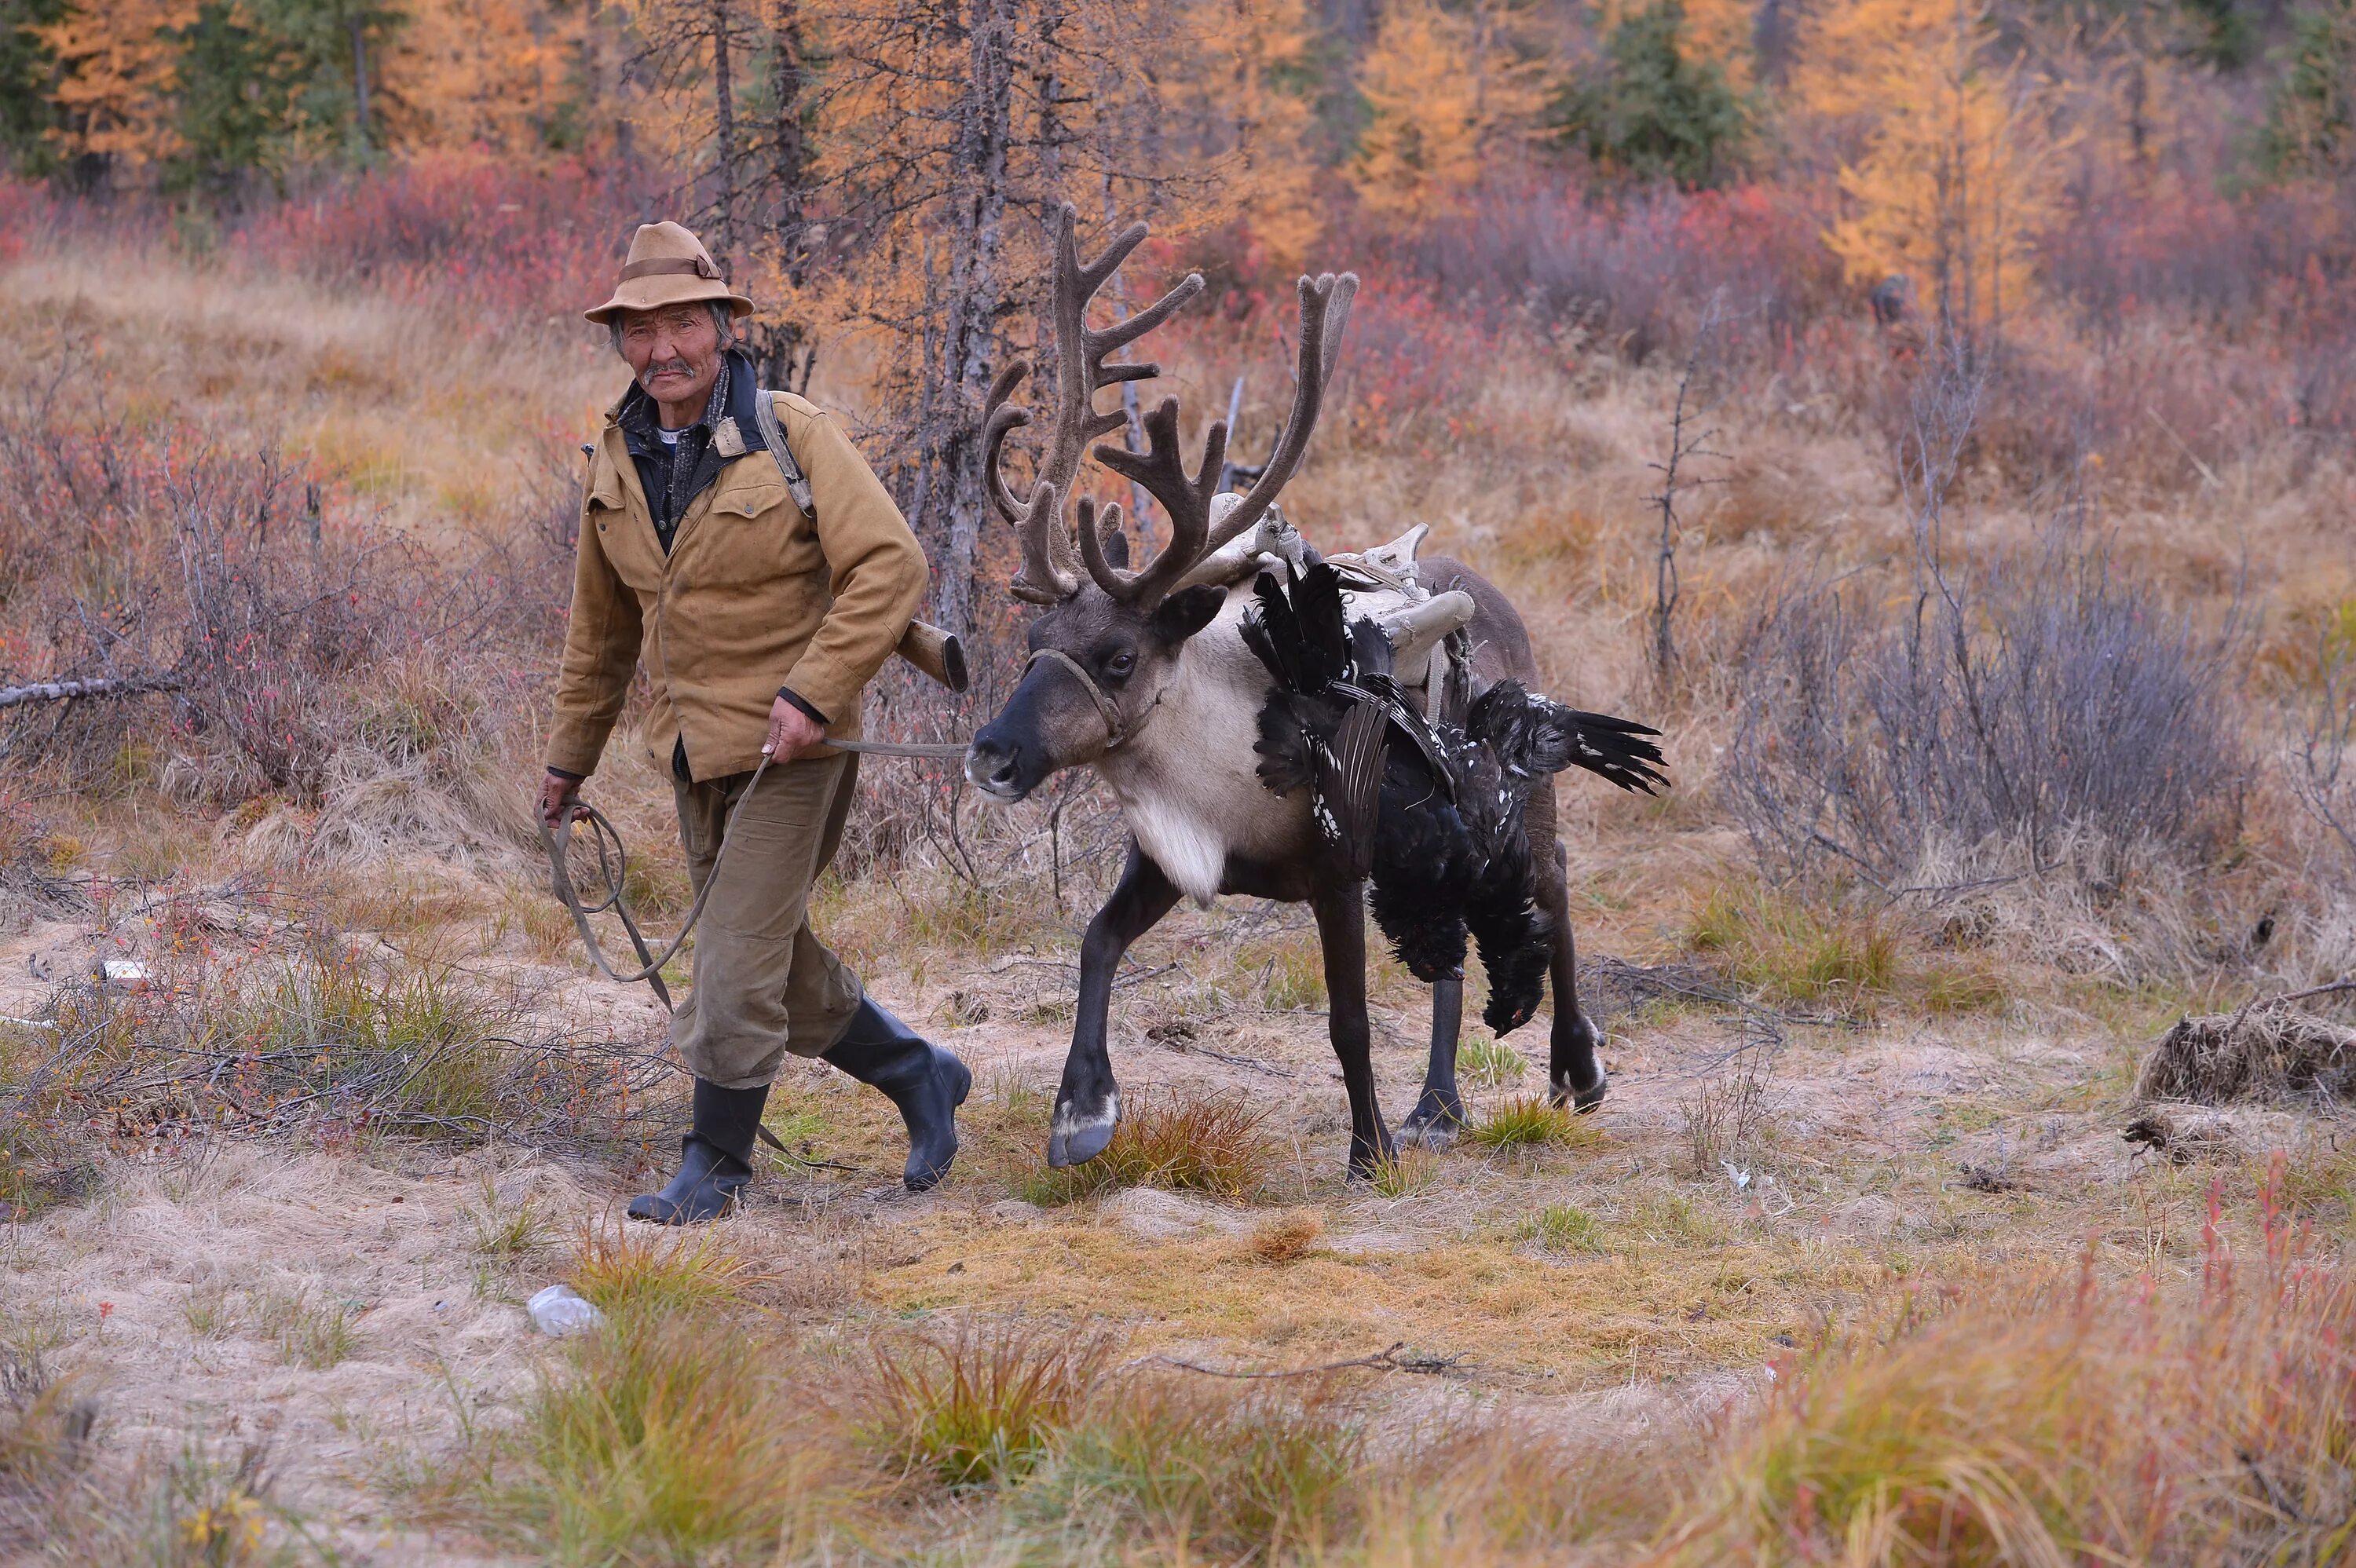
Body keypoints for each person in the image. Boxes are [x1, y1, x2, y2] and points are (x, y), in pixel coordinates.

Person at [540, 219, 968, 1223]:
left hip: (799, 749)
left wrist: (813, 692)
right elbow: (598, 639)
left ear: (724, 326)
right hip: (696, 753)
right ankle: (919, 1073)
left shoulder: (792, 432)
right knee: (778, 958)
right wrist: (569, 762)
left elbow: (891, 567)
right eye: (638, 332)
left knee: (734, 958)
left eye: (683, 323)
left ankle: (715, 1165)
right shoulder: (617, 458)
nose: (662, 351)